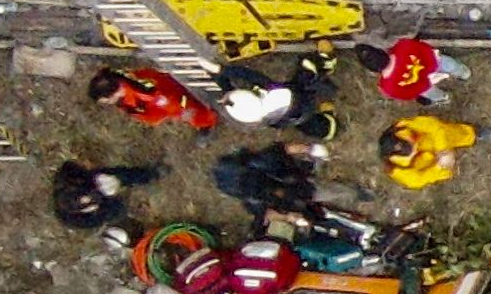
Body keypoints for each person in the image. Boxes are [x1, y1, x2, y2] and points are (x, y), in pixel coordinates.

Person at [213, 141, 326, 220]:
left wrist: (310, 149)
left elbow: (284, 149)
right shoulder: (253, 198)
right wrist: (288, 217)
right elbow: (266, 214)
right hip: (294, 193)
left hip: (286, 173)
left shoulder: (266, 162)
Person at [90, 65, 218, 131]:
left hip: (182, 97)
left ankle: (209, 119)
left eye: (107, 100)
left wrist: (183, 111)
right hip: (169, 102)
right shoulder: (126, 81)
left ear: (114, 93)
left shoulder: (144, 90)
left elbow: (173, 101)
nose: (109, 103)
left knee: (198, 115)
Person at [355, 37, 471, 105]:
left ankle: (444, 98)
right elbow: (423, 48)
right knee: (450, 65)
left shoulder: (387, 86)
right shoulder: (402, 47)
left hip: (424, 86)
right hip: (434, 64)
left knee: (432, 94)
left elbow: (405, 94)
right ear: (382, 51)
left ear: (373, 70)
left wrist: (417, 92)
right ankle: (464, 73)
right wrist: (433, 55)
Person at [51, 161, 158, 231]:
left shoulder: (67, 177)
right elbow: (102, 218)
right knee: (117, 210)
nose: (90, 198)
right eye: (87, 203)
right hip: (103, 208)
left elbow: (72, 166)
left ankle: (148, 174)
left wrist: (98, 178)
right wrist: (103, 205)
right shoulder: (77, 220)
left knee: (118, 175)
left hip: (91, 182)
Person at [382, 115, 478, 190]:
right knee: (441, 171)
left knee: (449, 133)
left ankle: (471, 135)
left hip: (434, 142)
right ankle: (452, 169)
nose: (413, 148)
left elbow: (433, 126)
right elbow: (419, 180)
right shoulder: (398, 170)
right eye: (409, 151)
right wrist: (440, 167)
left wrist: (442, 149)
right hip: (432, 164)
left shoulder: (403, 126)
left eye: (408, 143)